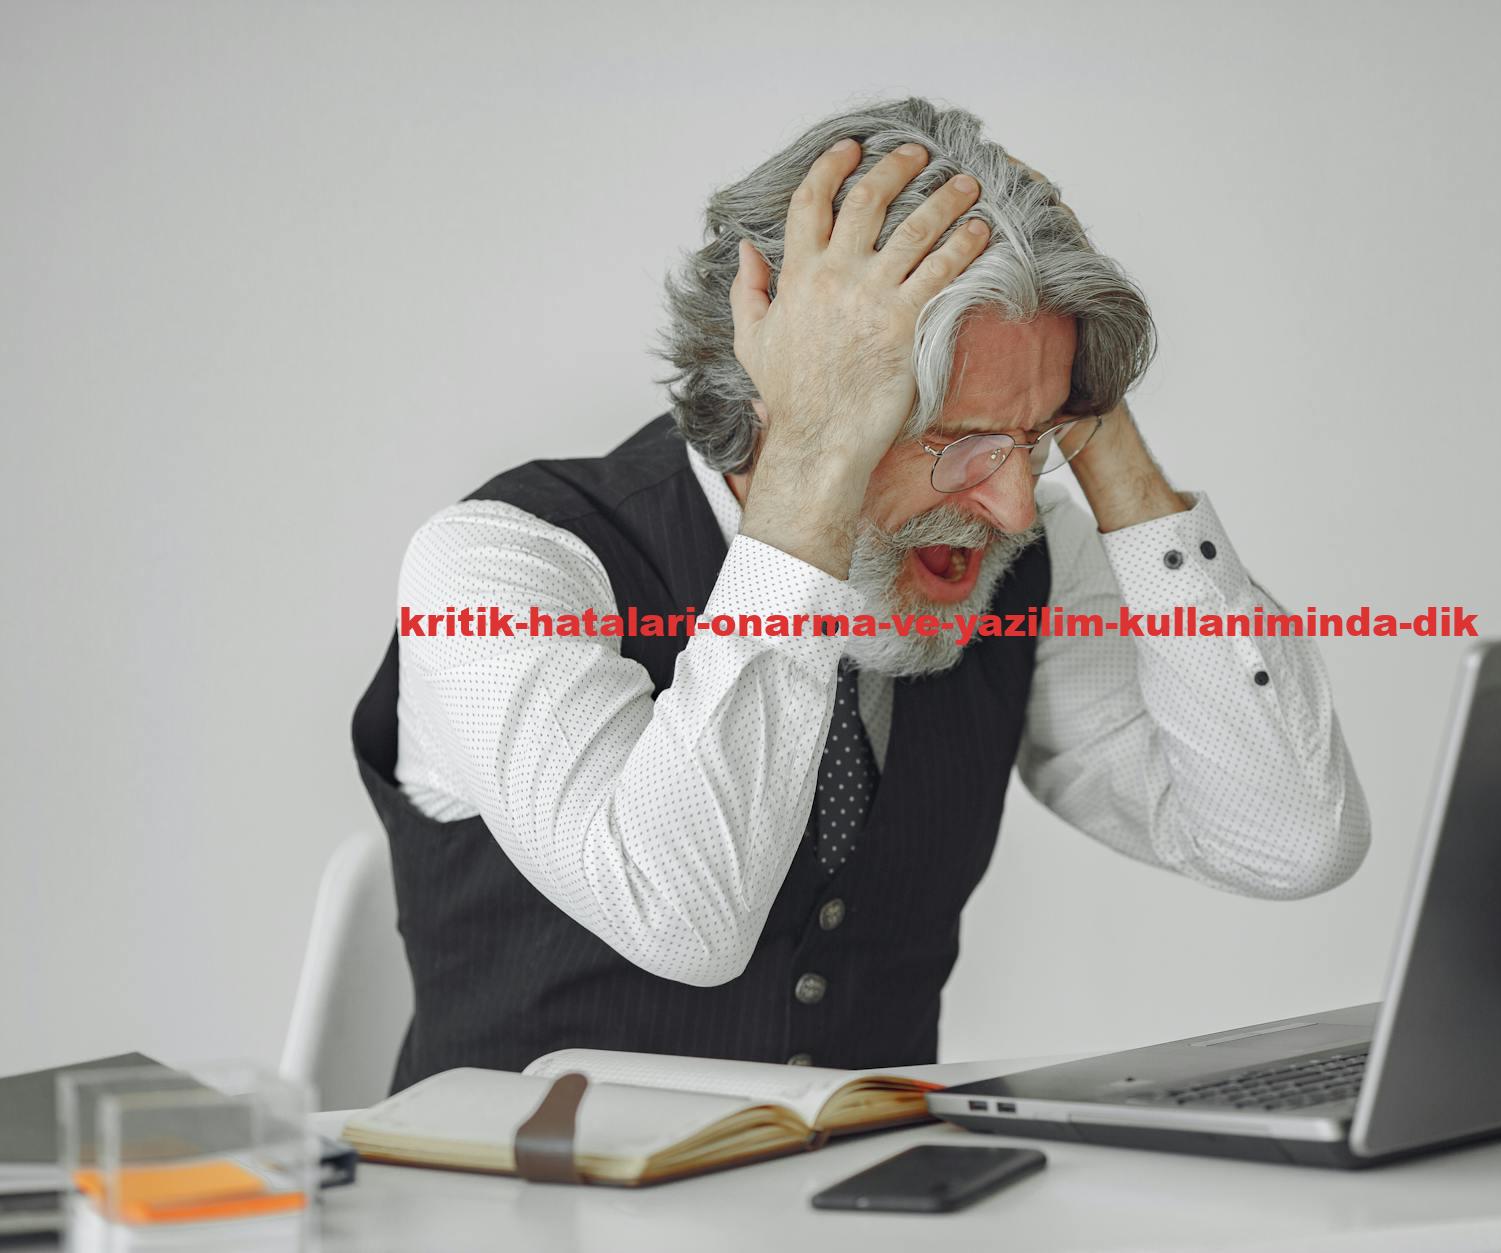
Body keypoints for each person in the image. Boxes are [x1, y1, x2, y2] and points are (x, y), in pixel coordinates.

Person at [351, 98, 1370, 1093]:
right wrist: (815, 462)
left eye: (1034, 437)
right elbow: (683, 915)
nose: (1013, 505)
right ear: (782, 380)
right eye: (957, 440)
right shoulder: (499, 563)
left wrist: (1090, 420)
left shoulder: (1022, 560)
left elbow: (1285, 838)